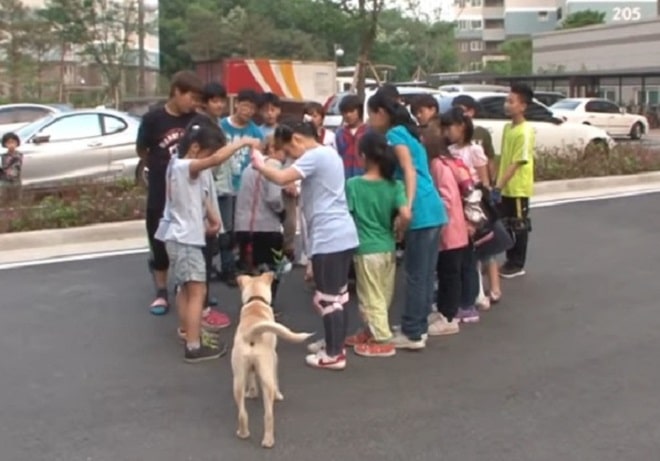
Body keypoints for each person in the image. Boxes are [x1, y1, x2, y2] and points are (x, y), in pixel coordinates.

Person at [250, 120, 358, 371]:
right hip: (340, 234)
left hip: (330, 236)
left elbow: (281, 177)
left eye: (288, 150)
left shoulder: (316, 155)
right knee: (337, 297)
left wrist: (260, 163)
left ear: (297, 139)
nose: (289, 156)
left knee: (327, 300)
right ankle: (334, 345)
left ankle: (334, 354)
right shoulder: (329, 155)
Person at [154, 122, 261, 362]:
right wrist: (243, 142)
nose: (215, 159)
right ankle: (194, 346)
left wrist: (214, 220)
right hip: (185, 238)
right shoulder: (184, 166)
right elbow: (213, 162)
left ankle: (189, 332)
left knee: (186, 289)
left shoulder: (183, 167)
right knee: (197, 292)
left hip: (179, 236)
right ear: (194, 148)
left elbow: (202, 197)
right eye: (210, 153)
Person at [367, 91, 447, 350]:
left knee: (415, 274)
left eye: (371, 113)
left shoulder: (395, 135)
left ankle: (413, 333)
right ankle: (418, 325)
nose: (369, 120)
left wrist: (407, 208)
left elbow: (408, 170)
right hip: (433, 207)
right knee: (424, 274)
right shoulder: (410, 132)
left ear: (381, 113)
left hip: (421, 208)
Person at [137, 70, 203, 316]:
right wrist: (160, 168)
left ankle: (194, 290)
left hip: (189, 195)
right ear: (177, 92)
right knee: (159, 242)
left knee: (192, 244)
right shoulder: (153, 119)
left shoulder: (197, 121)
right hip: (160, 192)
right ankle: (162, 291)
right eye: (191, 97)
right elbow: (141, 149)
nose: (194, 103)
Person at [345, 132, 409, 358]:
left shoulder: (353, 185)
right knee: (382, 294)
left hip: (365, 247)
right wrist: (400, 230)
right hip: (388, 246)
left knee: (370, 296)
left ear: (363, 156)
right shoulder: (395, 185)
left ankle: (382, 339)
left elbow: (347, 216)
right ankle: (370, 330)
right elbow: (405, 214)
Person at [186, 83, 232, 330]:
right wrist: (241, 144)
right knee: (196, 273)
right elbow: (213, 161)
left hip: (205, 209)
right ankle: (197, 326)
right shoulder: (199, 129)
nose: (219, 105)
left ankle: (194, 318)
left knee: (199, 270)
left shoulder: (211, 125)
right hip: (193, 225)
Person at [452, 95, 501, 304]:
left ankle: (494, 287)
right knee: (469, 250)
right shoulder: (449, 150)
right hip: (459, 201)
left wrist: (486, 197)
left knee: (486, 247)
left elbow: (484, 178)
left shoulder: (476, 147)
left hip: (476, 201)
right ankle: (476, 292)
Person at [234, 135, 288, 315]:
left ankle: (249, 304)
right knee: (272, 271)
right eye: (284, 151)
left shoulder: (249, 168)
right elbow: (273, 197)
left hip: (244, 226)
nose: (286, 156)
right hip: (267, 227)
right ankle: (267, 306)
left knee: (249, 270)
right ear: (272, 150)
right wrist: (282, 211)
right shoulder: (273, 166)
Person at [216, 89, 265, 287]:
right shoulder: (221, 127)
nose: (248, 110)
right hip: (224, 185)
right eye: (245, 105)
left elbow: (259, 159)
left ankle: (243, 263)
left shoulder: (256, 132)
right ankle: (227, 268)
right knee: (225, 228)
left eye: (252, 108)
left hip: (246, 187)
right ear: (236, 104)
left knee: (243, 228)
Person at [422, 122, 466, 336]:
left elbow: (446, 198)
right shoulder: (446, 162)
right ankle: (443, 312)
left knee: (449, 274)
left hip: (449, 229)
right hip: (455, 229)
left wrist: (436, 220)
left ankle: (449, 316)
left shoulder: (438, 166)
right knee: (447, 273)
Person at [493, 83, 535, 279]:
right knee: (505, 224)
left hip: (517, 187)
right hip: (505, 186)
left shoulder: (525, 131)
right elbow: (503, 158)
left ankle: (517, 263)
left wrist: (499, 185)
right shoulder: (508, 128)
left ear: (523, 106)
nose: (507, 105)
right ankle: (510, 260)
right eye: (506, 101)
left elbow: (518, 162)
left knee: (519, 225)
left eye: (511, 101)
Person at [335, 94, 368, 180]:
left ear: (359, 111)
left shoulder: (368, 131)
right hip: (344, 175)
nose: (348, 115)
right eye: (345, 112)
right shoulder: (339, 133)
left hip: (364, 175)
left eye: (352, 111)